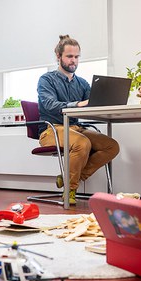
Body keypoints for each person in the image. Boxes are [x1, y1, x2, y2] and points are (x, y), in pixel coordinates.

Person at [37, 34, 119, 205]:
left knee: (111, 146)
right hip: (51, 129)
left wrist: (105, 102)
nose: (73, 60)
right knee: (82, 143)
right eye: (69, 56)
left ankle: (68, 178)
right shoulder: (46, 80)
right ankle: (70, 189)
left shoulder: (82, 83)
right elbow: (51, 105)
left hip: (76, 128)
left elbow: (92, 105)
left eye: (76, 57)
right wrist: (79, 104)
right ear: (59, 57)